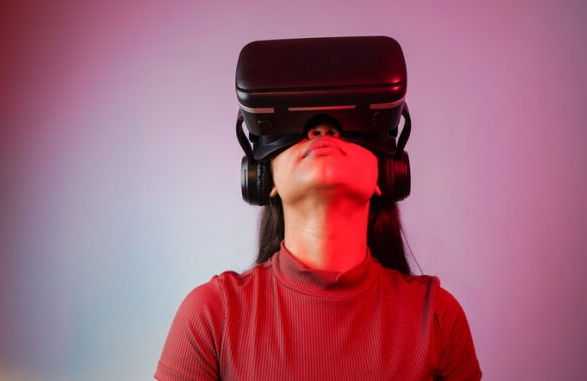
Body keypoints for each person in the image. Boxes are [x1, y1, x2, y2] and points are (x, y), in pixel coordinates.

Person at [155, 37, 481, 380]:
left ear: (384, 176)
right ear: (266, 180)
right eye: (302, 130)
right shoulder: (211, 316)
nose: (323, 129)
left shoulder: (439, 318)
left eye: (344, 128)